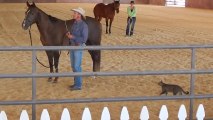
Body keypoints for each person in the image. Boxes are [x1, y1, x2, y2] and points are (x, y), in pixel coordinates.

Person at [66, 7, 88, 90]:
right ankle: (76, 84)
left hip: (78, 46)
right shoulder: (74, 23)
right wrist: (69, 35)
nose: (73, 14)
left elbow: (84, 39)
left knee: (76, 66)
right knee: (73, 66)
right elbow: (73, 35)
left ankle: (78, 85)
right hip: (72, 46)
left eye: (75, 13)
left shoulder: (84, 25)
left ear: (79, 15)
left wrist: (73, 37)